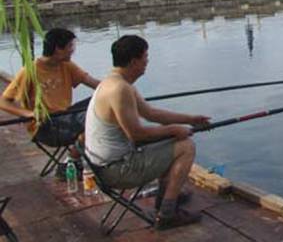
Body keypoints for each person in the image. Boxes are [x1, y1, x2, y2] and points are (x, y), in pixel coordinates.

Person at [85, 35, 210, 229]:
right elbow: (137, 135)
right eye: (145, 57)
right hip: (116, 171)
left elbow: (151, 114)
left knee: (168, 140)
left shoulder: (114, 82)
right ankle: (167, 214)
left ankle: (168, 197)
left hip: (107, 164)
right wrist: (175, 130)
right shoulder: (119, 90)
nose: (147, 62)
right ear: (134, 61)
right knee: (186, 147)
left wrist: (190, 119)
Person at [0, 28, 100, 149]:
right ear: (58, 49)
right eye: (70, 46)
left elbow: (96, 84)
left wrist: (119, 90)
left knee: (102, 99)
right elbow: (3, 102)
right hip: (46, 127)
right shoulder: (30, 71)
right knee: (95, 117)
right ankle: (75, 158)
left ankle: (76, 157)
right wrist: (28, 114)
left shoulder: (67, 65)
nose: (72, 51)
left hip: (66, 115)